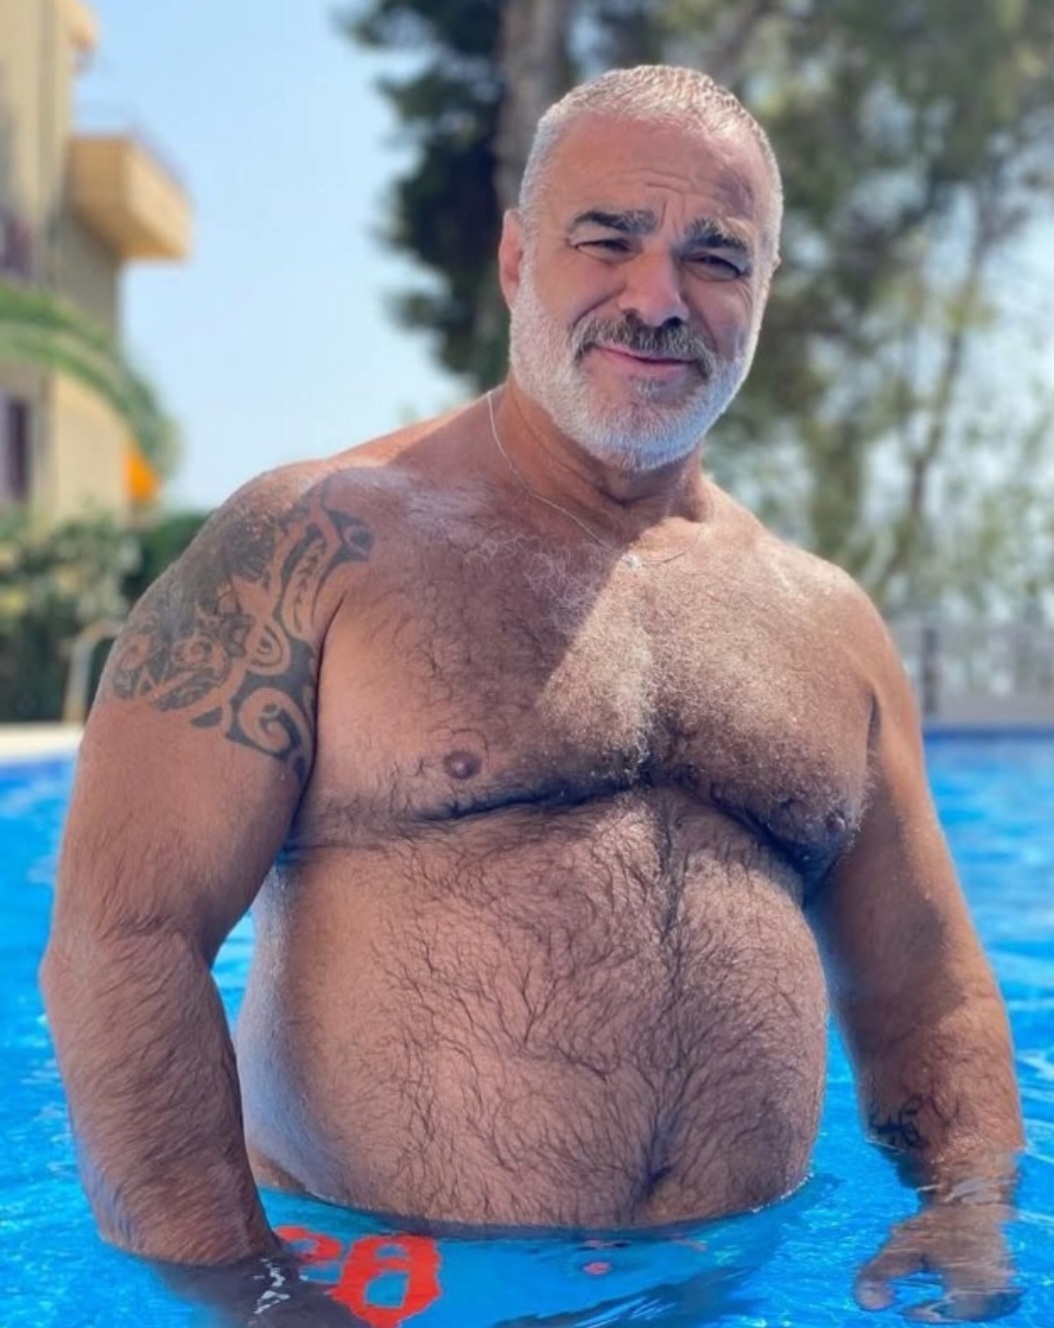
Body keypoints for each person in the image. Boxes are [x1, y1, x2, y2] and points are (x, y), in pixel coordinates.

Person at [41, 64, 1022, 1322]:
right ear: (516, 259)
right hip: (387, 1283)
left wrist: (966, 1202)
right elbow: (123, 935)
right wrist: (252, 1288)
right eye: (608, 238)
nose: (657, 298)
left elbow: (924, 983)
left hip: (742, 1284)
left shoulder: (825, 623)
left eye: (715, 257)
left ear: (763, 292)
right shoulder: (313, 546)